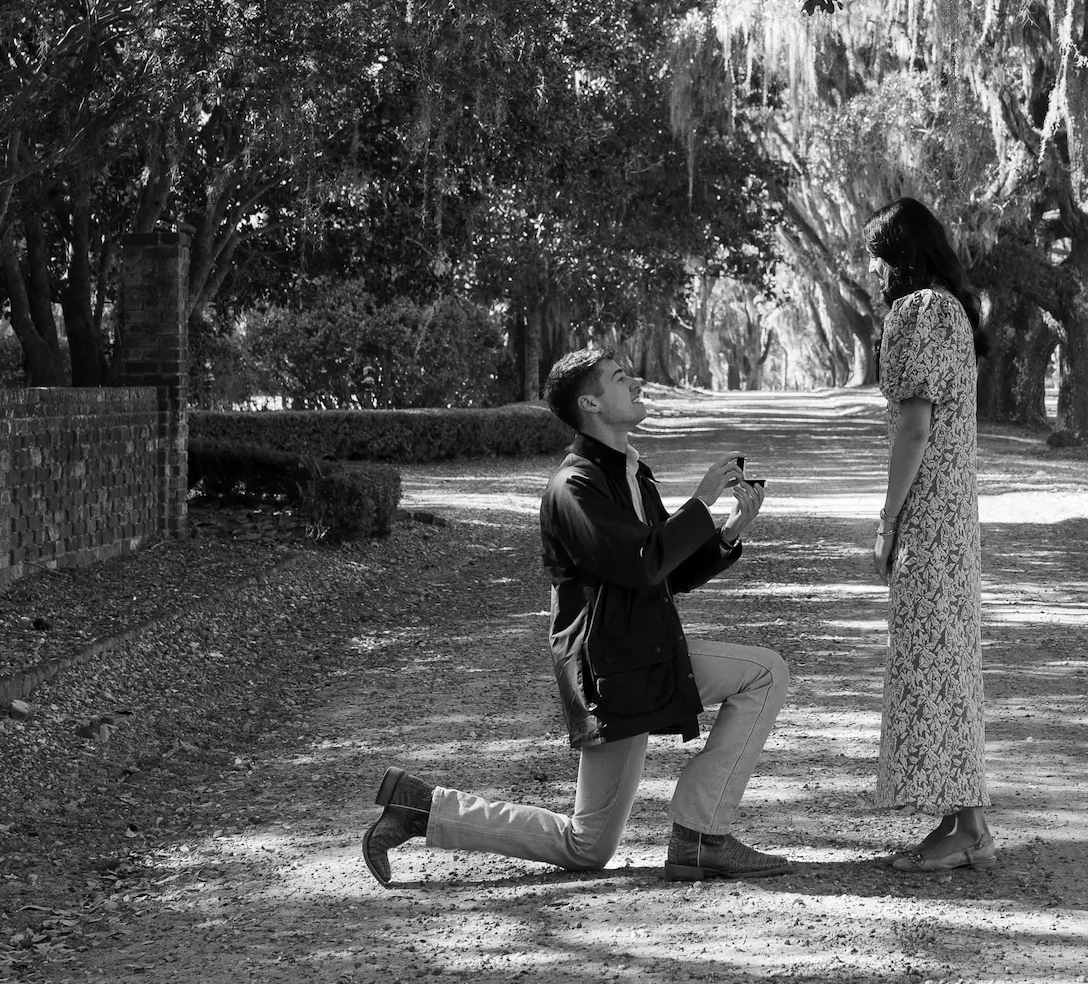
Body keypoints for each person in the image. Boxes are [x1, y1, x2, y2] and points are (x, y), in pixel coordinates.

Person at [361, 347, 792, 885]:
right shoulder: (574, 487)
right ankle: (701, 835)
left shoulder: (632, 473)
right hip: (612, 669)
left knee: (588, 846)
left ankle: (421, 808)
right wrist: (702, 503)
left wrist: (725, 532)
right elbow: (642, 562)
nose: (635, 382)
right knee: (765, 673)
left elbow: (665, 571)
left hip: (642, 656)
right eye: (619, 378)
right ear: (590, 403)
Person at [865, 197, 994, 872]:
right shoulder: (949, 308)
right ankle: (963, 819)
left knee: (935, 658)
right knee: (945, 657)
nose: (869, 268)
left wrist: (888, 517)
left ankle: (968, 826)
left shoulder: (919, 312)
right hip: (952, 513)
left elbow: (915, 427)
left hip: (929, 514)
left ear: (898, 255)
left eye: (875, 254)